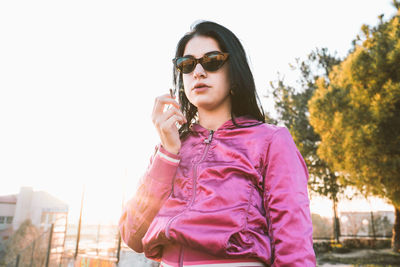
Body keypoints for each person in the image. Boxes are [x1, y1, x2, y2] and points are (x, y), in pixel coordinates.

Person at [119, 20, 316, 267]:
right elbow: (133, 235)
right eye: (187, 65)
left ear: (235, 73)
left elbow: (294, 247)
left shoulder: (270, 141)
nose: (198, 72)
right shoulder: (169, 149)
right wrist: (167, 154)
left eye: (212, 61)